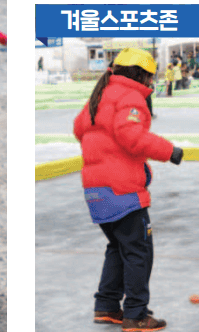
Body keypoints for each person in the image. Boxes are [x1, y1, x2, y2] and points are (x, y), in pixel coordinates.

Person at [72, 49, 182, 331]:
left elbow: (79, 128)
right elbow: (130, 135)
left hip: (95, 188)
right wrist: (169, 150)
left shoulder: (100, 95)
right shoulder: (130, 97)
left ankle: (107, 306)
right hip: (122, 189)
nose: (152, 82)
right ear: (142, 75)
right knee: (138, 252)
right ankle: (136, 314)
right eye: (151, 76)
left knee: (118, 247)